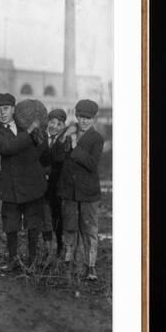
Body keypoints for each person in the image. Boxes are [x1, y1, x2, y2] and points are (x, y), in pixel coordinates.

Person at [0, 93, 47, 273]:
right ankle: (13, 259)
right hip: (10, 185)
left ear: (14, 109)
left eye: (5, 109)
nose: (2, 113)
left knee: (33, 223)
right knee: (11, 224)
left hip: (32, 184)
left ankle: (32, 260)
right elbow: (6, 148)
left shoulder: (26, 124)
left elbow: (41, 150)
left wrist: (38, 133)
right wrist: (30, 132)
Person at [57, 99, 104, 282]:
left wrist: (75, 144)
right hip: (69, 191)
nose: (84, 121)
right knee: (69, 227)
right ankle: (69, 262)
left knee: (89, 229)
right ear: (76, 116)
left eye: (88, 118)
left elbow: (92, 164)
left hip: (89, 192)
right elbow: (58, 156)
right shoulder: (69, 132)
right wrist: (64, 138)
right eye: (81, 117)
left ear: (94, 119)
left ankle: (90, 266)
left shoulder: (97, 138)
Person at [40, 108, 68, 259]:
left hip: (57, 187)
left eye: (59, 124)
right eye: (52, 122)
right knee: (44, 218)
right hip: (42, 187)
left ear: (63, 126)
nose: (54, 126)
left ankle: (59, 249)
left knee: (58, 218)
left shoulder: (65, 141)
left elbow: (61, 161)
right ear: (47, 122)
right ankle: (47, 249)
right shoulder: (41, 138)